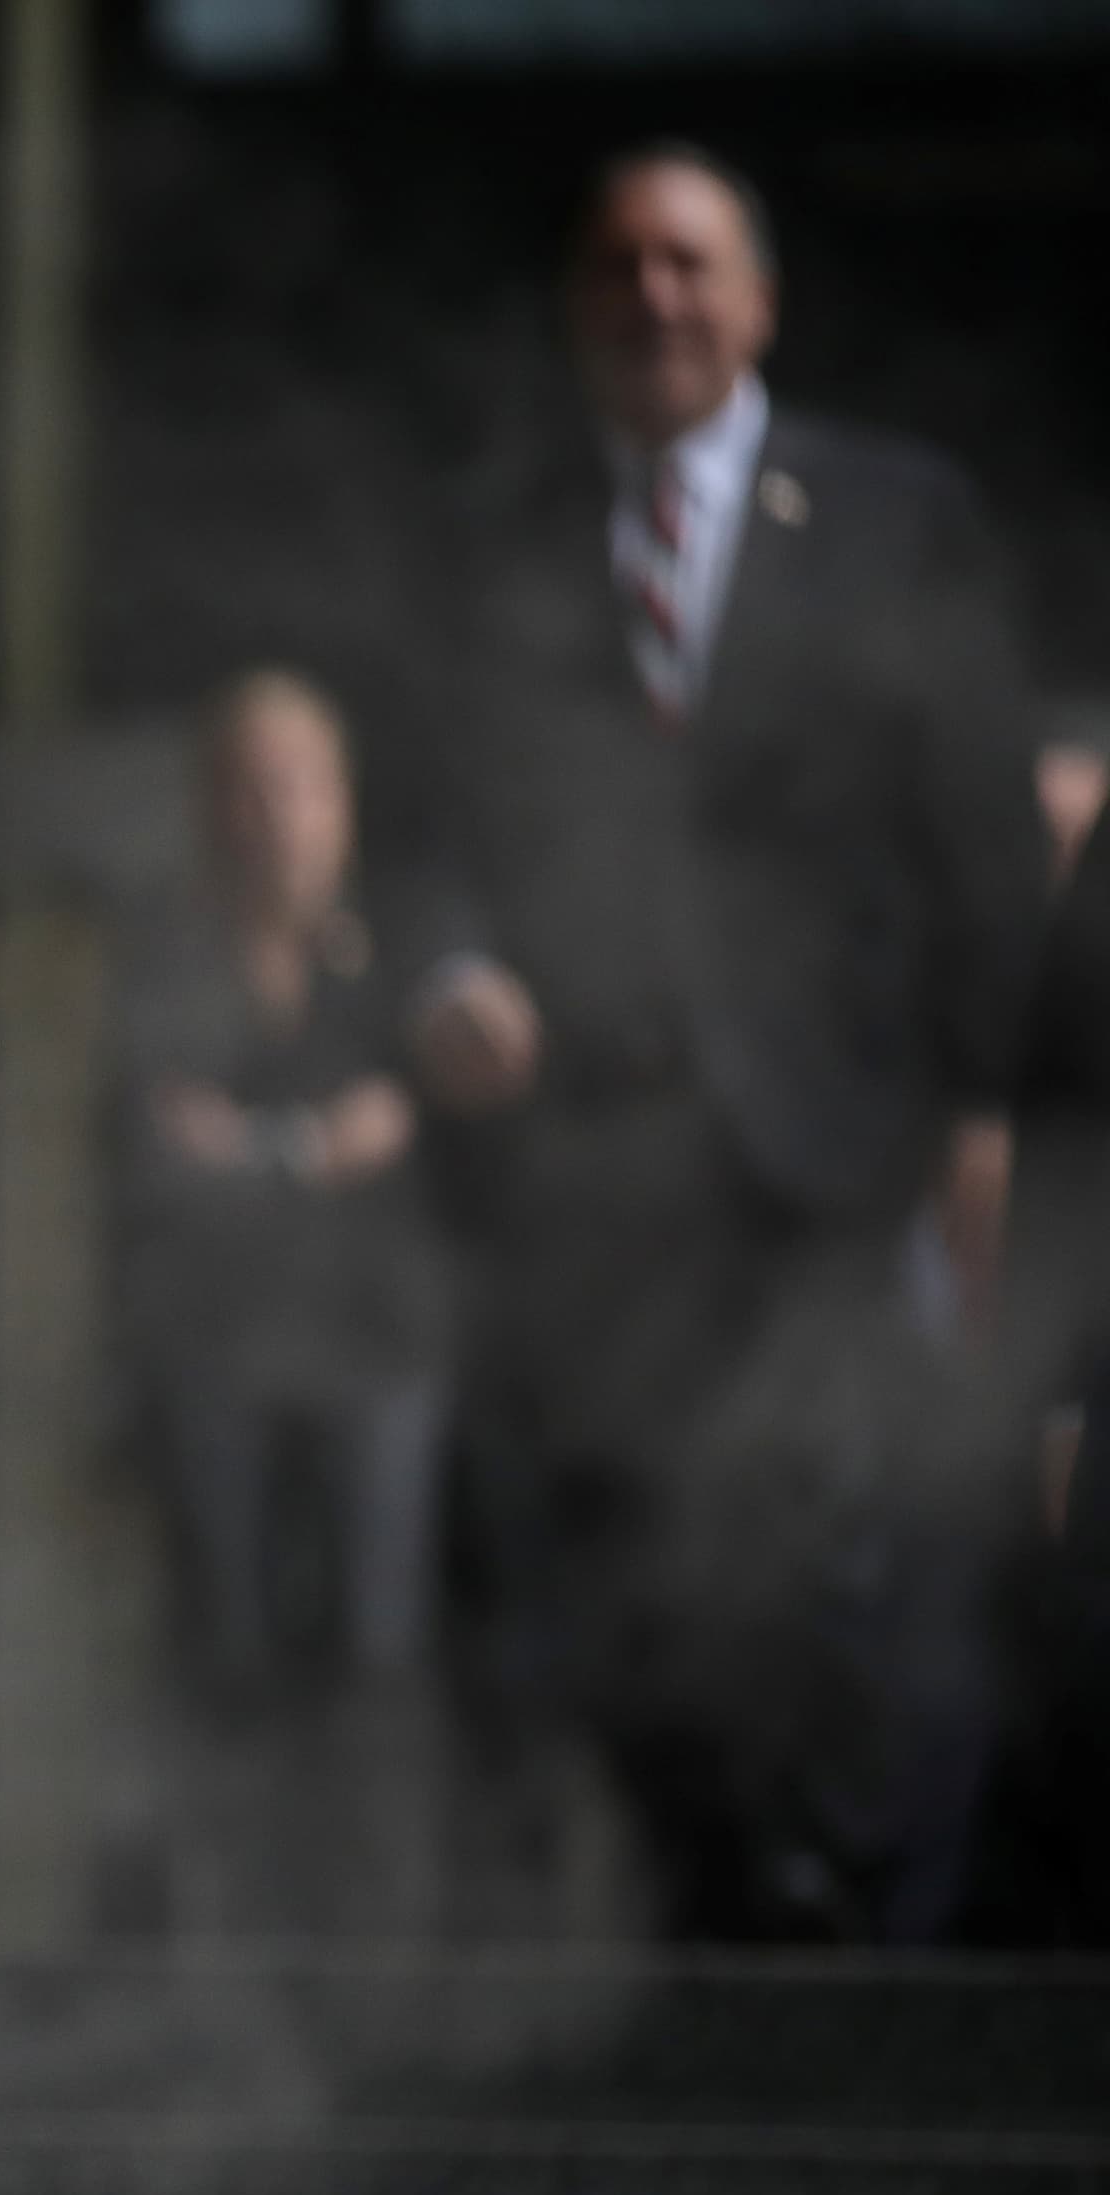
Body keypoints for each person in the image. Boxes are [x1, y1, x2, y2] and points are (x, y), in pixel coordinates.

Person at [398, 143, 1043, 1939]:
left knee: (848, 1581)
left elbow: (981, 832)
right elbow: (428, 824)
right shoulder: (496, 538)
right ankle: (690, 2009)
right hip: (596, 1184)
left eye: (689, 264)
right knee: (627, 1592)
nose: (654, 298)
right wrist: (452, 972)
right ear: (571, 309)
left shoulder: (896, 519)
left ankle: (873, 1993)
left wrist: (987, 1114)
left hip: (845, 1154)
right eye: (617, 267)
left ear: (759, 302)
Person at [125, 671, 449, 1700]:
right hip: (217, 1354)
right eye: (252, 786)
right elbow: (162, 1147)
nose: (276, 816)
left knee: (379, 1661)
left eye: (302, 784)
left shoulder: (406, 943)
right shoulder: (167, 953)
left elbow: (403, 1122)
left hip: (382, 1347)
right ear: (212, 806)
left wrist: (253, 1152)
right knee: (227, 1659)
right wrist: (315, 1149)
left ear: (345, 801)